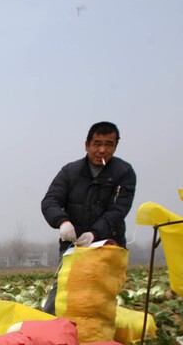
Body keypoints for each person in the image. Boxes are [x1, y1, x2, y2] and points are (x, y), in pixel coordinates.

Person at [40, 121, 136, 314]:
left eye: (108, 144)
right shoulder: (70, 172)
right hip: (73, 247)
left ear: (116, 146)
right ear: (87, 145)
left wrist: (94, 233)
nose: (102, 149)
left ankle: (95, 340)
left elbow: (119, 210)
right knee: (62, 294)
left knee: (101, 298)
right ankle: (48, 335)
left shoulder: (124, 173)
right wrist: (63, 222)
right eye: (97, 143)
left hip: (109, 246)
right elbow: (50, 200)